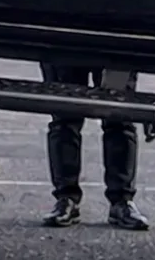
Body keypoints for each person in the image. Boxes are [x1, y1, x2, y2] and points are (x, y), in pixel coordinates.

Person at [40, 63, 149, 230]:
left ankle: (71, 199)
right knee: (68, 118)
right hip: (104, 46)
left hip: (95, 46)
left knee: (117, 117)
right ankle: (116, 200)